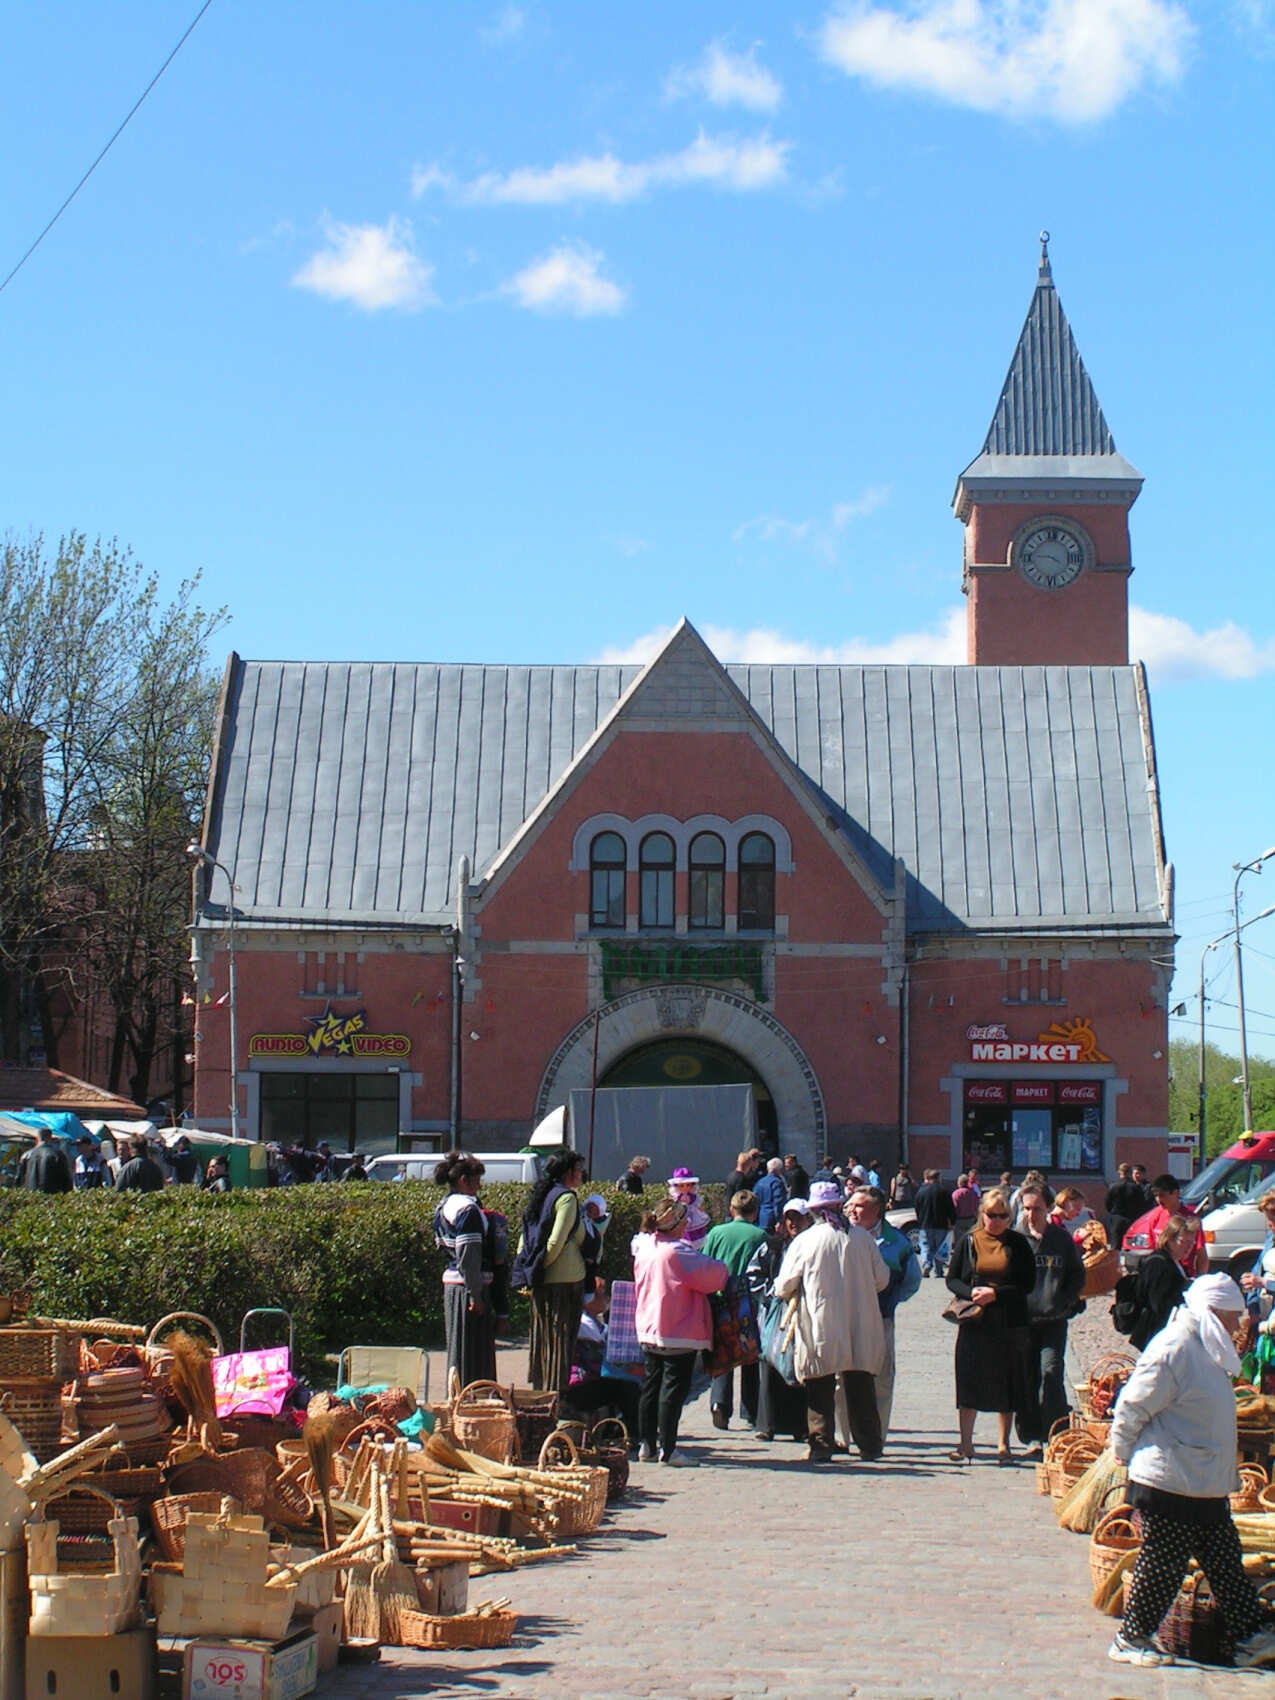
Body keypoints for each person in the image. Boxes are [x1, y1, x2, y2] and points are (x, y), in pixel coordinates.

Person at [1108, 1273, 1274, 1669]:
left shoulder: (1206, 1345)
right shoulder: (1175, 1347)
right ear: (1213, 1311)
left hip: (1202, 1480)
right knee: (1163, 1563)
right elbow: (1133, 1403)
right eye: (1231, 1318)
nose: (1236, 1326)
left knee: (1224, 1561)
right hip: (1170, 1477)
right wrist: (1121, 1449)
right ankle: (1130, 1638)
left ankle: (1249, 1636)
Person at [773, 1181, 889, 1464]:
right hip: (860, 1322)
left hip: (820, 1322)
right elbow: (882, 1280)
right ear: (838, 1205)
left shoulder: (806, 1241)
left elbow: (784, 1285)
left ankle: (821, 1444)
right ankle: (870, 1445)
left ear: (812, 1210)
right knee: (860, 1385)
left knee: (820, 1386)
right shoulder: (863, 1239)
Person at [632, 1196, 728, 1466]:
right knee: (672, 1390)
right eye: (684, 1219)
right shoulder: (677, 1252)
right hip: (677, 1329)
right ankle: (669, 1449)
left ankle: (647, 1445)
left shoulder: (645, 1248)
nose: (687, 1223)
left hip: (649, 1327)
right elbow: (715, 1276)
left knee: (650, 1387)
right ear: (674, 1223)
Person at [945, 1187, 1037, 1464]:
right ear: (981, 1214)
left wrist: (996, 1294)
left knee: (1007, 1383)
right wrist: (971, 1292)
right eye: (991, 1215)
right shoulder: (969, 1240)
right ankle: (965, 1444)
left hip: (1008, 1321)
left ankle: (1003, 1445)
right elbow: (952, 1279)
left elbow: (1027, 1284)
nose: (996, 1221)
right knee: (968, 1380)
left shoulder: (1018, 1244)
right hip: (975, 1321)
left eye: (1002, 1216)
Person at [847, 1185, 920, 1443]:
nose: (852, 1210)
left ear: (876, 1210)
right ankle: (842, 1436)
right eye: (850, 1205)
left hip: (881, 1318)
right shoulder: (841, 1235)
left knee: (881, 1378)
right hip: (844, 1318)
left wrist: (890, 1301)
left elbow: (912, 1281)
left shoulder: (896, 1242)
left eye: (859, 1206)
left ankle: (876, 1436)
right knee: (841, 1378)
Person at [1016, 1181, 1086, 1453]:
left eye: (1036, 1209)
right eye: (1026, 1208)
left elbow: (1077, 1275)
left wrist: (1063, 1301)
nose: (1031, 1214)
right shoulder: (1016, 1238)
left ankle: (1055, 1434)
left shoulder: (1061, 1239)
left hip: (1053, 1321)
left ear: (1047, 1208)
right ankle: (1032, 1435)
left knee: (1051, 1373)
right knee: (1027, 1377)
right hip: (1023, 1322)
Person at [517, 1151, 588, 1398]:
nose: (581, 1174)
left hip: (541, 1282)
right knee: (561, 1344)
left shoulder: (541, 1195)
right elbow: (557, 1241)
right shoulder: (566, 1198)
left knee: (542, 1343)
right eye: (578, 1169)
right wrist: (540, 1267)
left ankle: (539, 1396)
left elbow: (525, 1238)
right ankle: (557, 1400)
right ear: (568, 1172)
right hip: (566, 1279)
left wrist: (529, 1271)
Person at [745, 1198, 811, 1445]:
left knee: (799, 1368)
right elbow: (753, 1275)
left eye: (798, 1217)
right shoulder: (772, 1247)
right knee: (771, 1366)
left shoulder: (813, 1245)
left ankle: (800, 1426)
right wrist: (773, 1295)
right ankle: (767, 1425)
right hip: (774, 1319)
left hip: (804, 1318)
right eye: (789, 1218)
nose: (793, 1223)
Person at [433, 1151, 498, 1389]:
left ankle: (458, 1399)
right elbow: (468, 1257)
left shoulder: (444, 1206)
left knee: (458, 1353)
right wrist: (475, 1294)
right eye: (477, 1180)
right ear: (463, 1180)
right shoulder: (467, 1210)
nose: (479, 1186)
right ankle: (472, 1402)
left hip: (454, 1286)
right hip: (467, 1288)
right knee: (472, 1356)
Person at [704, 1190, 767, 1430]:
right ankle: (751, 1411)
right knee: (751, 1355)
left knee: (723, 1353)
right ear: (755, 1212)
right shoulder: (760, 1236)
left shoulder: (716, 1233)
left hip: (720, 1299)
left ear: (731, 1210)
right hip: (749, 1303)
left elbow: (705, 1263)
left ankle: (719, 1404)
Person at [565, 1278, 641, 1433]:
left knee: (623, 1382)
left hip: (588, 1380)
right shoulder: (584, 1323)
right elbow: (606, 1348)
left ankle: (620, 1427)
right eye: (602, 1294)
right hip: (580, 1386)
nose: (606, 1298)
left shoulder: (592, 1321)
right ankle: (633, 1432)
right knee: (627, 1386)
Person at [1128, 1215, 1196, 1352]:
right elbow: (1160, 1305)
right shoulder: (1159, 1264)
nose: (1189, 1247)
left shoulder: (1174, 1261)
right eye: (1185, 1242)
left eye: (1192, 1243)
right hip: (1156, 1334)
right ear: (1170, 1239)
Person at [1139, 1175, 1208, 1275]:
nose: (1158, 1199)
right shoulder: (1155, 1217)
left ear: (1175, 1193)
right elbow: (1151, 1249)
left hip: (1183, 1273)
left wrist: (1200, 1279)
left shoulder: (1190, 1219)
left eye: (1162, 1195)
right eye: (1156, 1196)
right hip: (1161, 1271)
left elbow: (1201, 1255)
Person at [914, 1168, 955, 1277]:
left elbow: (917, 1208)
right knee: (939, 1248)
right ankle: (939, 1271)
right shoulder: (944, 1191)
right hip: (941, 1224)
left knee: (925, 1246)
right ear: (938, 1178)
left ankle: (926, 1264)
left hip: (925, 1224)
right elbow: (950, 1208)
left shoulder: (921, 1191)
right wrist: (952, 1222)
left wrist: (919, 1220)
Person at [1240, 1189, 1275, 1312]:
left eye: (1273, 1219)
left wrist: (1265, 1283)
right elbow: (1257, 1271)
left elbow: (1260, 1281)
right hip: (1266, 1311)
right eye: (1268, 1219)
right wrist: (1253, 1306)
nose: (1269, 1224)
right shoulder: (1271, 1238)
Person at [1106, 1162, 1148, 1253]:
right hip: (1131, 1219)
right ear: (1130, 1173)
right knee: (1130, 1247)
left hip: (1117, 1218)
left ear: (1119, 1172)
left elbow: (1108, 1204)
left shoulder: (1113, 1186)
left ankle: (1116, 1261)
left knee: (1115, 1247)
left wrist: (1112, 1212)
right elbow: (1141, 1205)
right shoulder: (1136, 1187)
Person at [18, 1128, 72, 1194]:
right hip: (51, 1195)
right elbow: (66, 1179)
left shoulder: (26, 1155)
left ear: (37, 1138)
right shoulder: (58, 1154)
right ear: (50, 1138)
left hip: (30, 1196)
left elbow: (19, 1179)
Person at [666, 1168, 710, 1247]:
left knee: (696, 1232)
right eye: (681, 1185)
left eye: (688, 1185)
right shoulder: (676, 1198)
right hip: (681, 1216)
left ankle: (696, 1245)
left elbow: (697, 1205)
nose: (685, 1188)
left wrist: (701, 1211)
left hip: (693, 1216)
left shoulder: (694, 1197)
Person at [753, 1157, 788, 1232]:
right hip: (772, 1220)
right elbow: (778, 1203)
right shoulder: (777, 1183)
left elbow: (754, 1200)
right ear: (779, 1169)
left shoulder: (759, 1182)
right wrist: (779, 1220)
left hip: (759, 1218)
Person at [950, 1171, 980, 1249]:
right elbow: (977, 1206)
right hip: (971, 1219)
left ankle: (960, 1253)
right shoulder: (973, 1193)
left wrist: (951, 1220)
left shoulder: (956, 1194)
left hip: (959, 1220)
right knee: (970, 1240)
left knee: (959, 1241)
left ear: (959, 1183)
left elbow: (954, 1208)